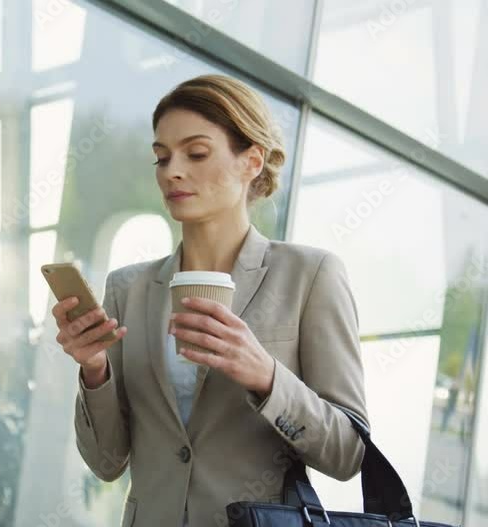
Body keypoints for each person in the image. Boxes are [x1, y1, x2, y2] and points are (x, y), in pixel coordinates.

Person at [52, 74, 369, 527]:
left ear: (252, 162)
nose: (172, 171)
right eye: (161, 158)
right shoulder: (129, 288)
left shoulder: (311, 275)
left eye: (196, 153)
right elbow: (107, 462)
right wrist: (95, 370)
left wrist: (265, 375)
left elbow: (348, 453)